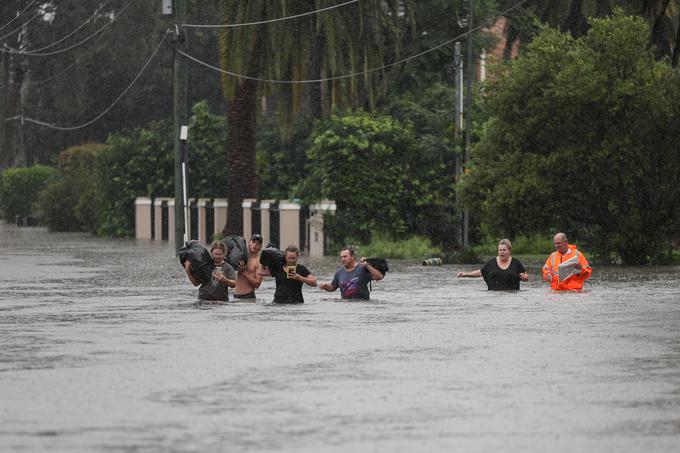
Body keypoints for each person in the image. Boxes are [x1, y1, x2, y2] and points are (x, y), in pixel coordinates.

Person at [457, 238, 528, 290]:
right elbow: (481, 272)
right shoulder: (492, 263)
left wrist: (523, 278)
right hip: (494, 298)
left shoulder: (516, 263)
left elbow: (526, 277)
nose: (502, 252)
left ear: (509, 251)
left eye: (504, 250)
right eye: (500, 250)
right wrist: (466, 274)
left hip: (512, 298)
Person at [319, 246, 384, 300]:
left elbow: (379, 277)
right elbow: (332, 287)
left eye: (345, 256)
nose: (342, 259)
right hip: (346, 306)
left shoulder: (363, 268)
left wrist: (367, 266)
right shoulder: (339, 272)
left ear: (352, 257)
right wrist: (325, 285)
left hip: (363, 305)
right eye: (341, 257)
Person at [234, 234, 264, 300]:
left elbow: (257, 284)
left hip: (248, 297)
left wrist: (244, 272)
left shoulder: (259, 262)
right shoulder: (240, 257)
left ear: (261, 247)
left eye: (258, 243)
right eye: (253, 242)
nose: (255, 245)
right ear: (248, 243)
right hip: (235, 296)